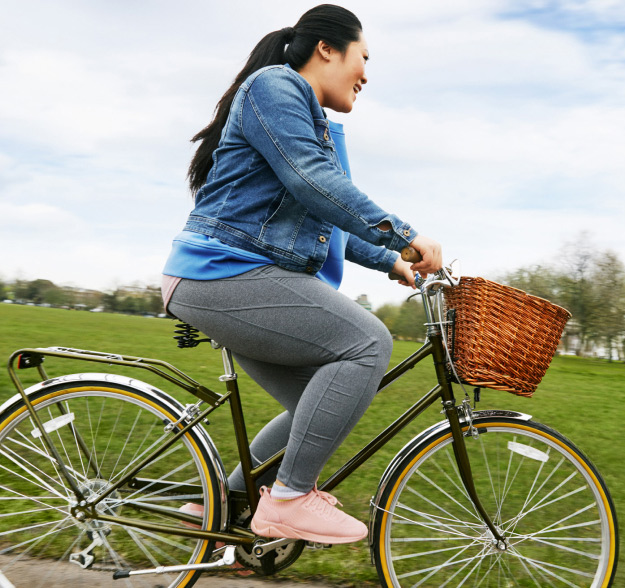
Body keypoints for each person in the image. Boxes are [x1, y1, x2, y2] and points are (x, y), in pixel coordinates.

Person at [162, 4, 442, 545]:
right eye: (364, 57)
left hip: (237, 281)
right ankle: (289, 499)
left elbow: (321, 212)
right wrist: (403, 233)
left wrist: (392, 261)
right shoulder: (275, 87)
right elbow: (313, 183)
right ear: (327, 50)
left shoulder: (313, 120)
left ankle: (222, 506)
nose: (367, 73)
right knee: (367, 343)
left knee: (316, 408)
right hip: (222, 274)